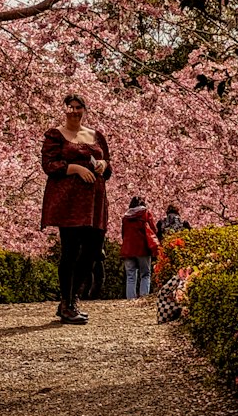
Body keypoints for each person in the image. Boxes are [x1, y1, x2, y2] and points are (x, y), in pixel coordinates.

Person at [40, 93, 111, 324]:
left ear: (84, 109)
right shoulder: (55, 135)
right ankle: (68, 303)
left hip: (95, 201)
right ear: (64, 110)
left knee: (93, 252)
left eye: (78, 107)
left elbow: (109, 168)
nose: (74, 111)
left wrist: (103, 164)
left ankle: (72, 299)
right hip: (70, 202)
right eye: (69, 107)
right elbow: (49, 165)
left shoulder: (96, 136)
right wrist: (74, 168)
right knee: (70, 252)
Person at [120, 195, 159, 299]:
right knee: (145, 274)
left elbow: (123, 233)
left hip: (128, 249)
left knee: (130, 275)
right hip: (143, 248)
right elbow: (153, 230)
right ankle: (143, 297)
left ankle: (130, 299)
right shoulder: (146, 214)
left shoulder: (125, 217)